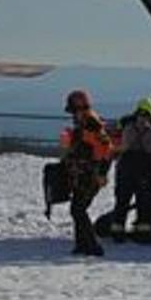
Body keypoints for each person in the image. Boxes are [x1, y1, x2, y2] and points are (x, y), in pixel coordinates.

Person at [62, 89, 112, 256]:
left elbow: (105, 148)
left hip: (90, 174)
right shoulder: (84, 122)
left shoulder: (91, 123)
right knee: (77, 208)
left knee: (78, 209)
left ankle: (92, 245)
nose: (72, 115)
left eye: (73, 111)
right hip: (82, 173)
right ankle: (82, 244)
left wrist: (101, 173)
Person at [111, 97, 151, 242]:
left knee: (122, 201)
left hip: (125, 166)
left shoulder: (127, 127)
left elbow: (123, 145)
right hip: (142, 168)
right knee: (143, 202)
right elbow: (149, 148)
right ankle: (143, 233)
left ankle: (117, 231)